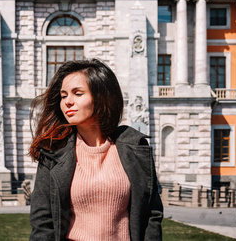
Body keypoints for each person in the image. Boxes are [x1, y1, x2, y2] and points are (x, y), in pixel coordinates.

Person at [29, 59, 163, 241]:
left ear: (101, 97)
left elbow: (151, 215)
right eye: (63, 95)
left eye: (77, 93)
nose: (67, 102)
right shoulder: (53, 151)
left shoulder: (135, 147)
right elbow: (42, 222)